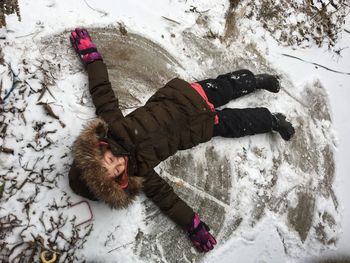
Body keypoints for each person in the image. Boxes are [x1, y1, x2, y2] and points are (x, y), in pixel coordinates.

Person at [68, 28, 295, 253]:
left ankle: (255, 81)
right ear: (120, 181)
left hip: (186, 98)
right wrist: (193, 225)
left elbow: (102, 91)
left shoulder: (114, 125)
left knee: (226, 86)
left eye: (109, 161)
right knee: (236, 124)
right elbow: (167, 199)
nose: (118, 164)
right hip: (197, 129)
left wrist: (91, 57)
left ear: (100, 149)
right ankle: (272, 120)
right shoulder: (140, 171)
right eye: (116, 172)